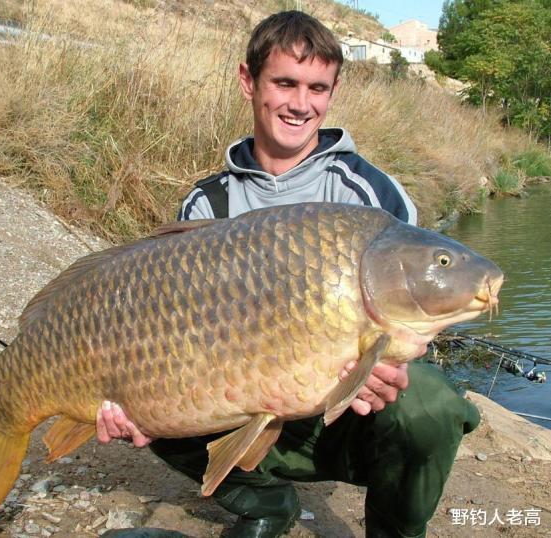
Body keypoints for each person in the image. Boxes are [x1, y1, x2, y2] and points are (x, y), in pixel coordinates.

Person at [96, 11, 480, 538]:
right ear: (248, 81)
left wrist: (385, 370)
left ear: (333, 92)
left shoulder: (371, 198)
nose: (301, 104)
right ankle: (265, 502)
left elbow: (414, 331)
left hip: (343, 426)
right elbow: (167, 328)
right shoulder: (207, 203)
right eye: (285, 83)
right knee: (146, 380)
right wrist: (123, 403)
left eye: (317, 88)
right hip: (239, 402)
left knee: (429, 403)